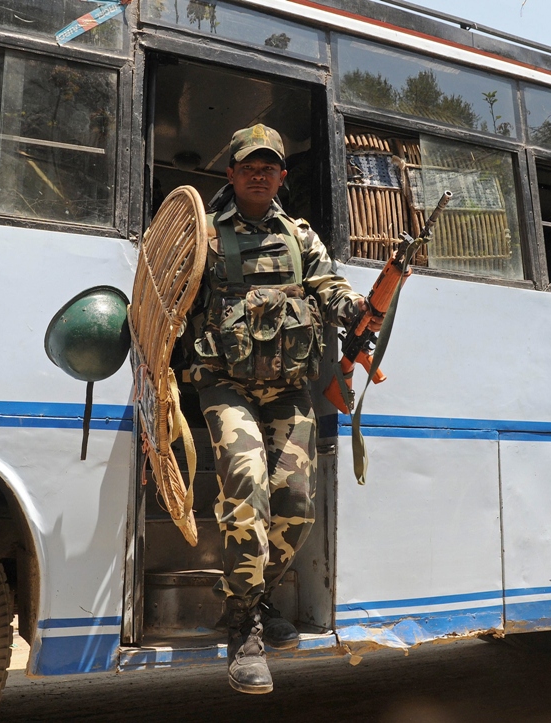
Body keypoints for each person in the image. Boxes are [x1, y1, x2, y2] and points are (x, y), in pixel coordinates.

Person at [186, 124, 372, 694]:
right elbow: (166, 304)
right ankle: (243, 626)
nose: (260, 173)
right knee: (246, 484)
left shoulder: (300, 238)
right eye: (249, 165)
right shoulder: (206, 239)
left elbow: (331, 287)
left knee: (296, 503)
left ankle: (253, 595)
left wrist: (360, 309)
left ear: (282, 176)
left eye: (270, 166)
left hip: (289, 391)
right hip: (226, 386)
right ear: (232, 175)